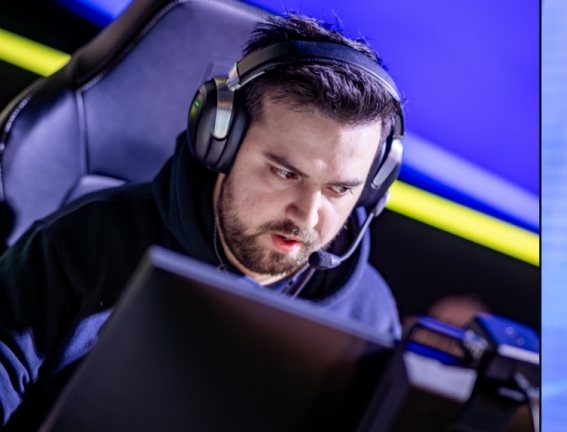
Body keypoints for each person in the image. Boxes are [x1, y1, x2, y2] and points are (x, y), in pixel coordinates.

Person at [0, 14, 403, 427]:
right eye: (285, 173)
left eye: (340, 189)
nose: (308, 214)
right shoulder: (81, 246)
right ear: (220, 141)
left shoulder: (369, 316)